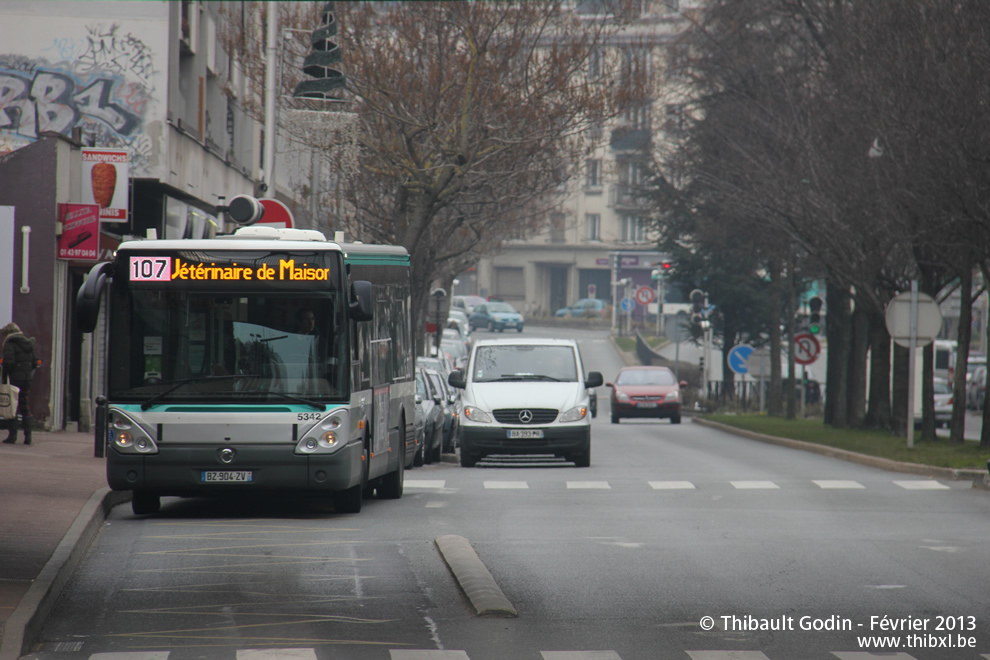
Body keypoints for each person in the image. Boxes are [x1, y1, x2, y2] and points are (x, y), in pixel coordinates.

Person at [1, 322, 38, 445]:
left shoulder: (10, 343)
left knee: (13, 407)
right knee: (25, 405)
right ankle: (28, 437)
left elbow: (8, 363)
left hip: (14, 380)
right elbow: (34, 362)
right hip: (26, 379)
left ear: (8, 333)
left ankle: (12, 436)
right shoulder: (28, 344)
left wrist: (4, 376)